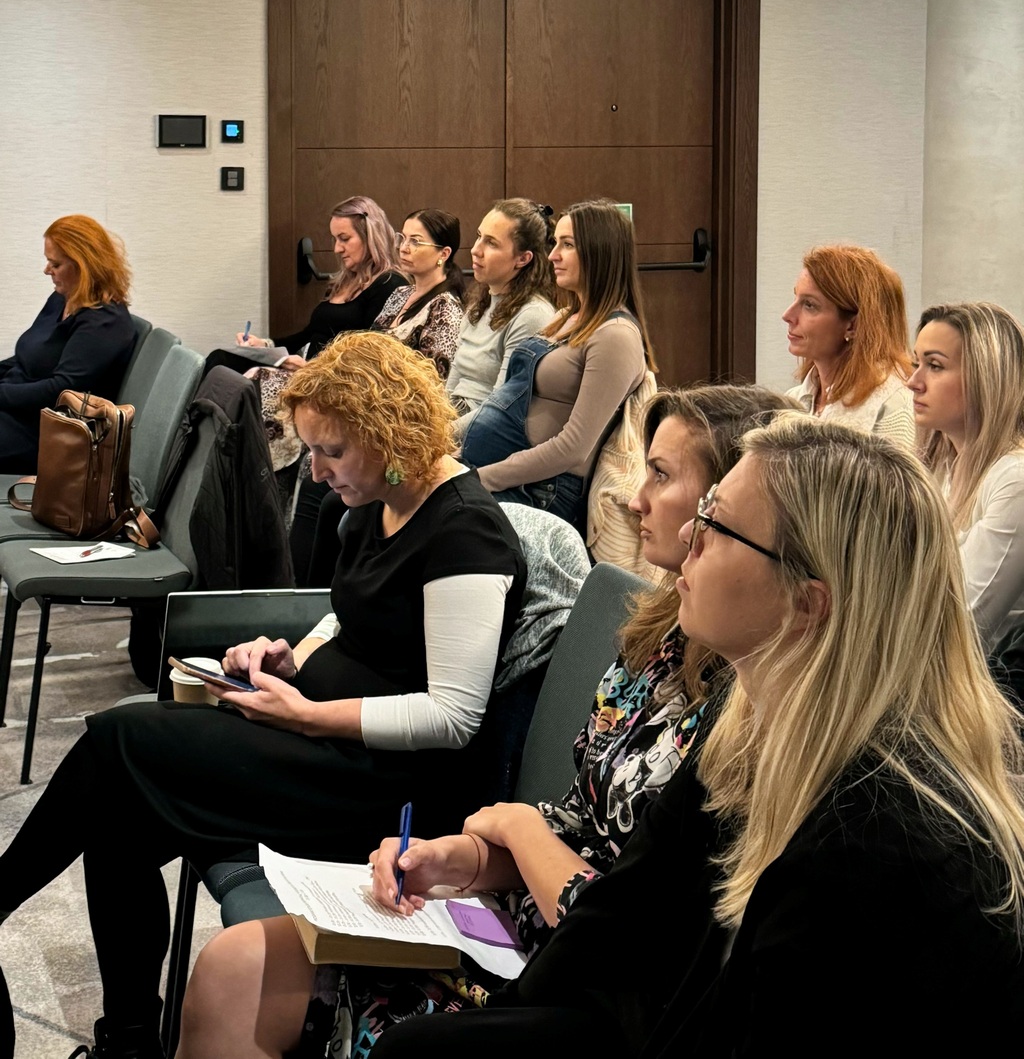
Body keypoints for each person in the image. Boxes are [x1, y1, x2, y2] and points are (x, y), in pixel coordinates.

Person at [175, 383, 799, 1059]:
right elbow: (577, 821)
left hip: (582, 982)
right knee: (229, 968)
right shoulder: (657, 639)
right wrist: (458, 859)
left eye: (662, 475)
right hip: (513, 921)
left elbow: (630, 935)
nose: (633, 498)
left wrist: (513, 826)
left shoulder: (751, 708)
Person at [368, 417, 1024, 1057]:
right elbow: (619, 919)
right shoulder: (743, 729)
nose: (689, 533)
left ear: (806, 603)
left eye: (717, 523)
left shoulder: (877, 839)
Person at [0, 332, 525, 1059]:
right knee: (118, 818)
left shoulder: (467, 534)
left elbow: (452, 716)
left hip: (383, 789)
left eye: (331, 450)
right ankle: (128, 1040)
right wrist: (290, 655)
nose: (316, 470)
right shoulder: (381, 500)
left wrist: (307, 716)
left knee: (120, 741)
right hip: (320, 746)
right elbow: (349, 614)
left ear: (391, 434)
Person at [460, 198, 656, 528]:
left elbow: (573, 448)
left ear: (599, 252)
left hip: (541, 493)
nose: (552, 255)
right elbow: (503, 399)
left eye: (567, 245)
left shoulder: (616, 336)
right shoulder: (565, 317)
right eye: (555, 243)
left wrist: (479, 479)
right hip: (502, 475)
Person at [909, 301, 1024, 657]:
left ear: (987, 378)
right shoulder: (938, 468)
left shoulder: (1014, 481)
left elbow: (961, 625)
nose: (913, 382)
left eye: (934, 366)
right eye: (915, 364)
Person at [0, 214, 135, 473]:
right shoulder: (61, 299)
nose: (47, 270)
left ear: (83, 266)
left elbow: (61, 391)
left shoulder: (105, 322)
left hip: (47, 432)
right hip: (19, 410)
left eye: (55, 264)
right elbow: (25, 359)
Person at [232, 195, 406, 369]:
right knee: (226, 359)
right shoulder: (341, 283)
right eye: (335, 239)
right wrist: (265, 345)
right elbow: (309, 335)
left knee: (238, 370)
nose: (337, 249)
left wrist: (310, 368)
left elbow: (371, 357)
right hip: (310, 373)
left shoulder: (389, 284)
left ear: (370, 237)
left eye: (344, 239)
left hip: (332, 379)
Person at [782, 242, 914, 445]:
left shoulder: (893, 406)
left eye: (809, 305)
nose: (787, 315)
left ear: (853, 325)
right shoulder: (793, 400)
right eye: (796, 298)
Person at [447, 199, 559, 432]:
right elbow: (453, 383)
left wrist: (438, 437)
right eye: (479, 236)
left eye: (491, 243)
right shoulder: (479, 304)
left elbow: (499, 407)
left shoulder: (532, 315)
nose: (476, 250)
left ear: (523, 259)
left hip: (484, 433)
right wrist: (429, 423)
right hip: (455, 420)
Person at [371, 208, 465, 380]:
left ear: (444, 254)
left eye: (415, 242)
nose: (403, 248)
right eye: (403, 238)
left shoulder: (446, 309)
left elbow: (434, 381)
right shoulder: (400, 293)